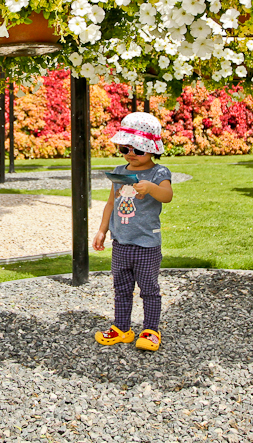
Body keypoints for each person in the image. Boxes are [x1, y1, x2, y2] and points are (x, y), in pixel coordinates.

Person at [93, 112, 173, 352]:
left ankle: (150, 329)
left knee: (149, 289)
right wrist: (102, 230)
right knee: (122, 289)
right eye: (126, 149)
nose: (131, 155)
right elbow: (111, 204)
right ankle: (122, 327)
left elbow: (167, 196)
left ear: (152, 149)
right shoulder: (119, 171)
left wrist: (150, 188)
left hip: (146, 244)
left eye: (138, 150)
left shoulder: (159, 174)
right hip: (121, 242)